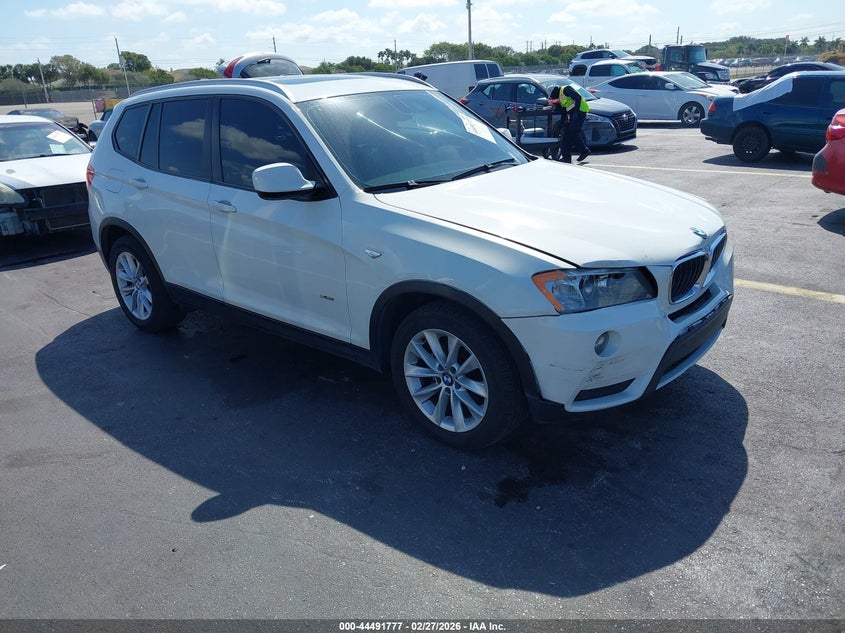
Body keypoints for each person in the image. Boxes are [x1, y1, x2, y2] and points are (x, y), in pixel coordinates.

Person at [552, 84, 591, 163]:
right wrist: (562, 123)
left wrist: (575, 114)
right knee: (570, 133)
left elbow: (578, 98)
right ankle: (581, 151)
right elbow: (565, 110)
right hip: (575, 113)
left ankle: (576, 153)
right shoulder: (561, 97)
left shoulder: (565, 89)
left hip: (580, 111)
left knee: (571, 133)